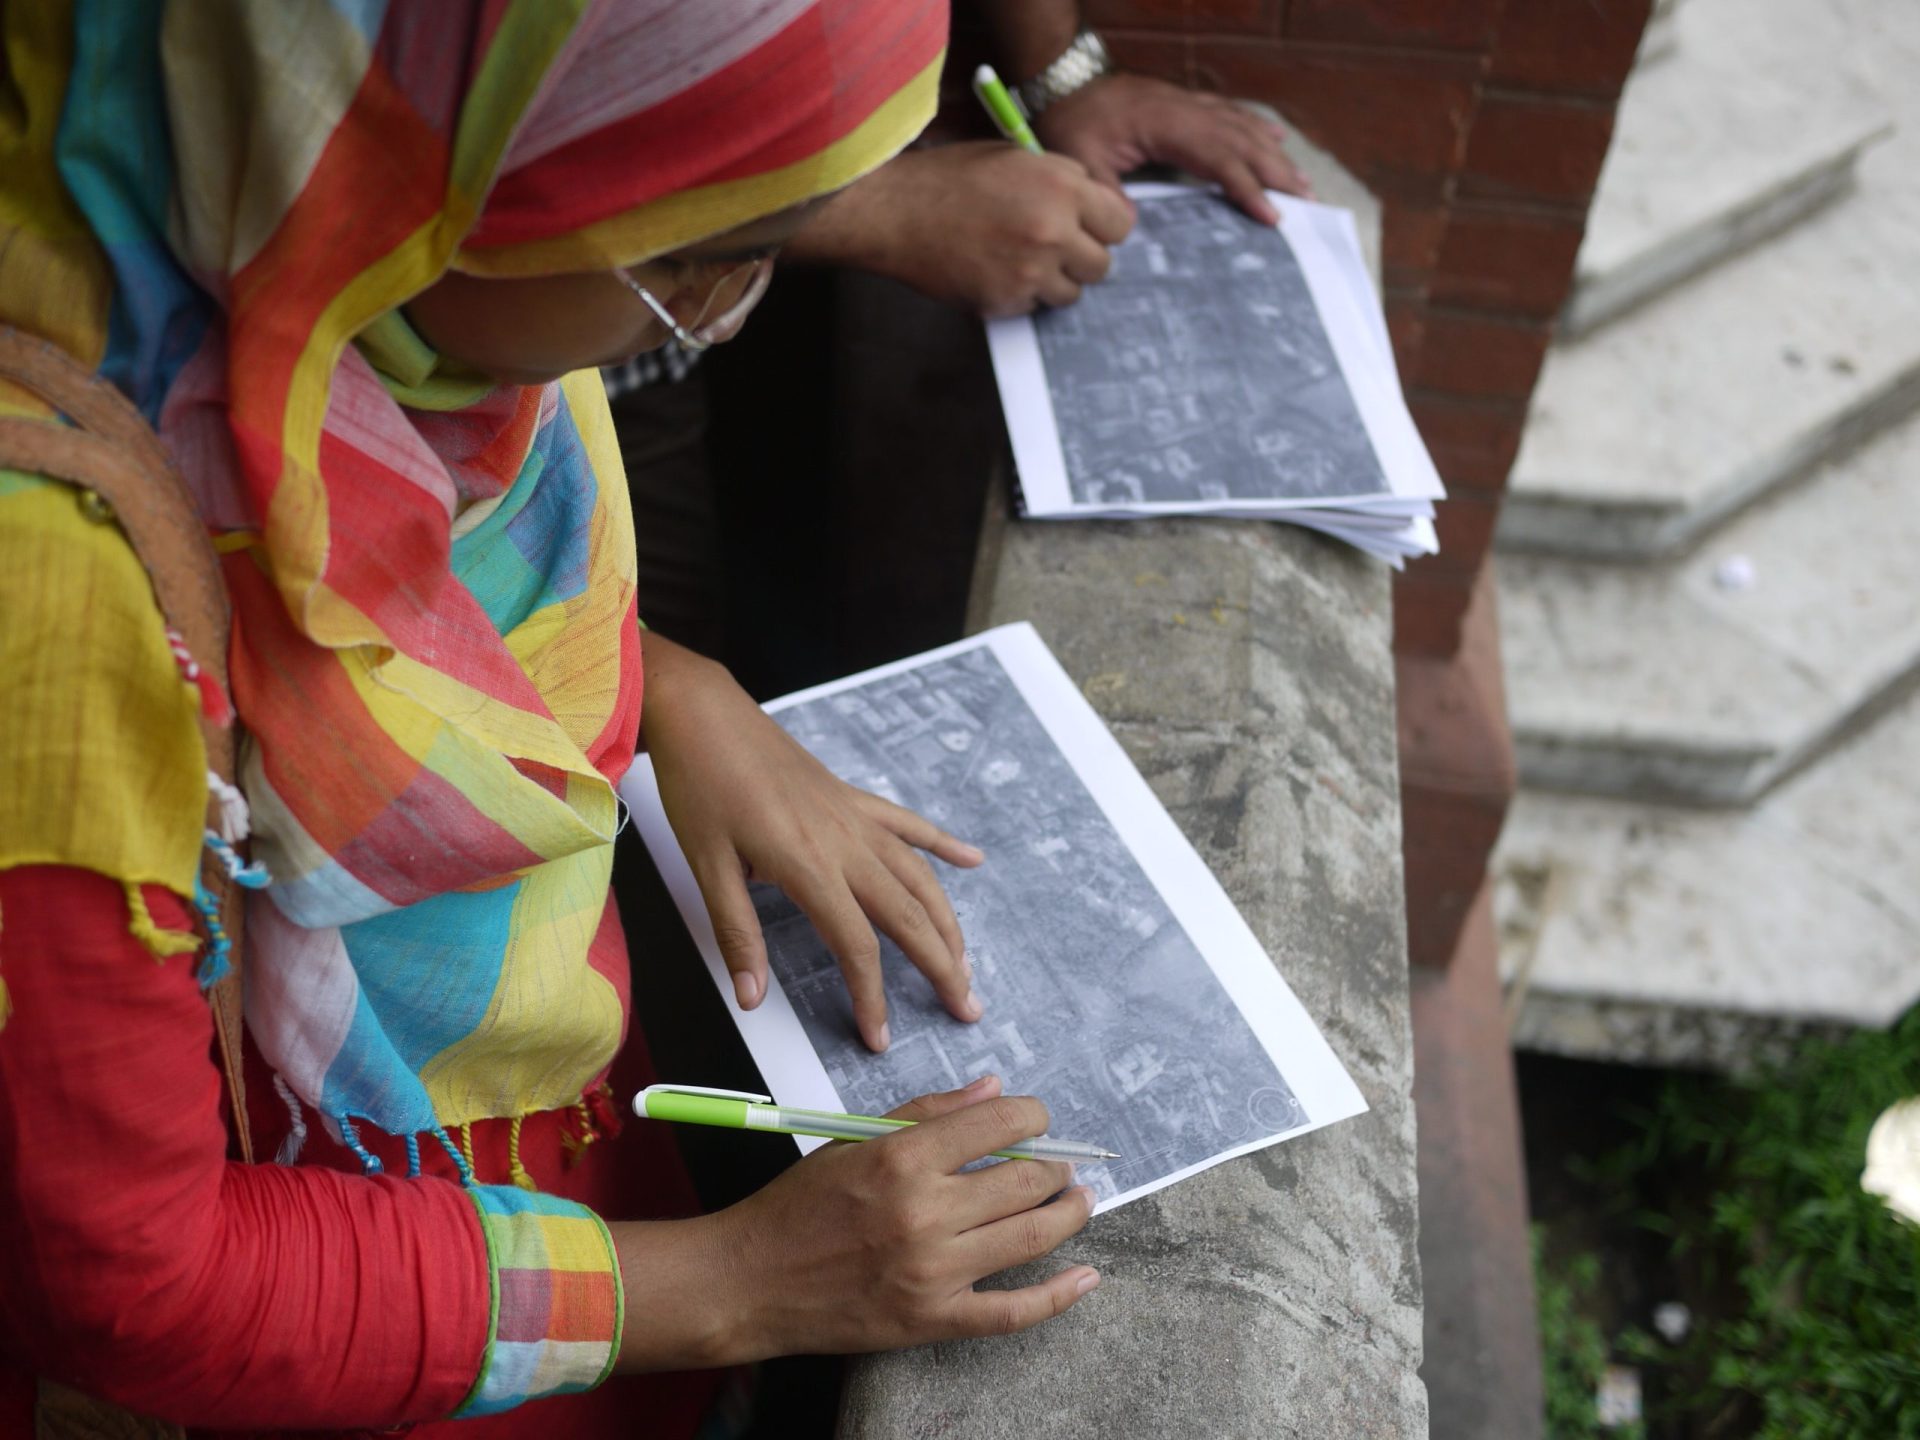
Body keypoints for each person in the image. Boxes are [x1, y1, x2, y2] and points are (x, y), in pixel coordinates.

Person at [0, 4, 1098, 1436]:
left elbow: (364, 607)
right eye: (688, 262)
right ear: (423, 153)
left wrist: (667, 687)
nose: (715, 313)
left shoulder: (358, 259)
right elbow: (140, 1286)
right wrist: (739, 1282)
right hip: (350, 1305)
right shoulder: (54, 606)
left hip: (539, 1158)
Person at [611, 0, 1310, 670]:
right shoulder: (584, 344)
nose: (716, 311)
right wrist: (888, 210)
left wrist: (1062, 74)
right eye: (672, 284)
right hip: (601, 377)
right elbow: (562, 196)